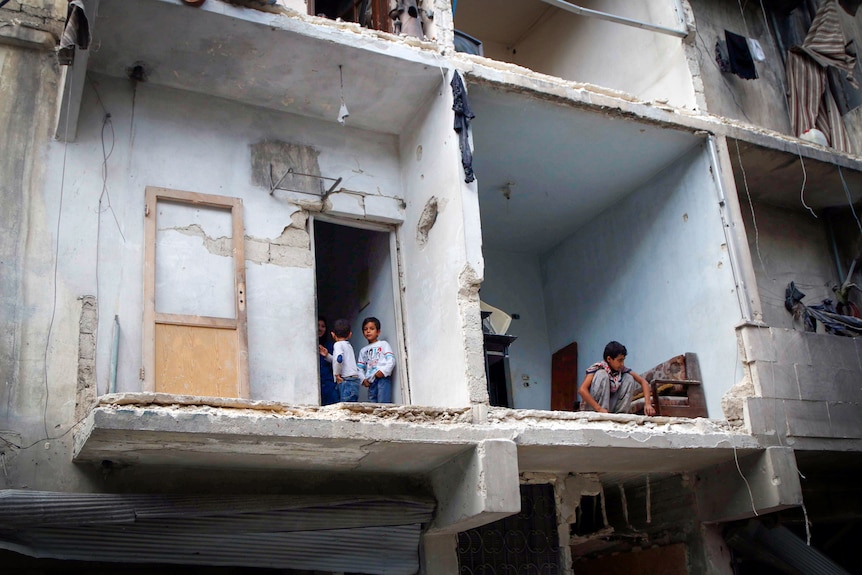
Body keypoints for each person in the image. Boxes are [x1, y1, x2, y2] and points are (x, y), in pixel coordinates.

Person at [579, 341, 655, 416]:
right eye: (619, 360)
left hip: (610, 409)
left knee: (629, 378)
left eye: (623, 360)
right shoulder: (597, 368)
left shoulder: (621, 370)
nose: (622, 364)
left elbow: (643, 382)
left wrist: (648, 404)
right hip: (595, 409)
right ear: (609, 359)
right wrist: (599, 408)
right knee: (602, 374)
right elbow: (582, 390)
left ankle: (620, 415)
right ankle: (602, 413)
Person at [357, 316, 396, 403]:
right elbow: (359, 368)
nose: (368, 331)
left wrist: (383, 371)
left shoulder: (383, 344)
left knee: (383, 403)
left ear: (378, 332)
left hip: (382, 379)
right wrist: (363, 379)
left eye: (371, 328)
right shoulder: (363, 351)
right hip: (371, 381)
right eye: (365, 329)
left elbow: (391, 360)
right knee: (373, 405)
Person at [331, 318, 360, 402]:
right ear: (350, 334)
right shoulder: (348, 345)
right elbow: (340, 359)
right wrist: (327, 356)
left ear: (333, 334)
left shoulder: (338, 344)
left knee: (346, 407)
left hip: (346, 381)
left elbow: (339, 359)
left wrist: (336, 374)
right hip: (354, 380)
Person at [317, 317, 339, 406]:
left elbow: (338, 362)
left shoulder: (331, 346)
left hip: (329, 385)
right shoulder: (307, 346)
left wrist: (327, 355)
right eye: (318, 325)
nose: (320, 328)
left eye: (323, 326)